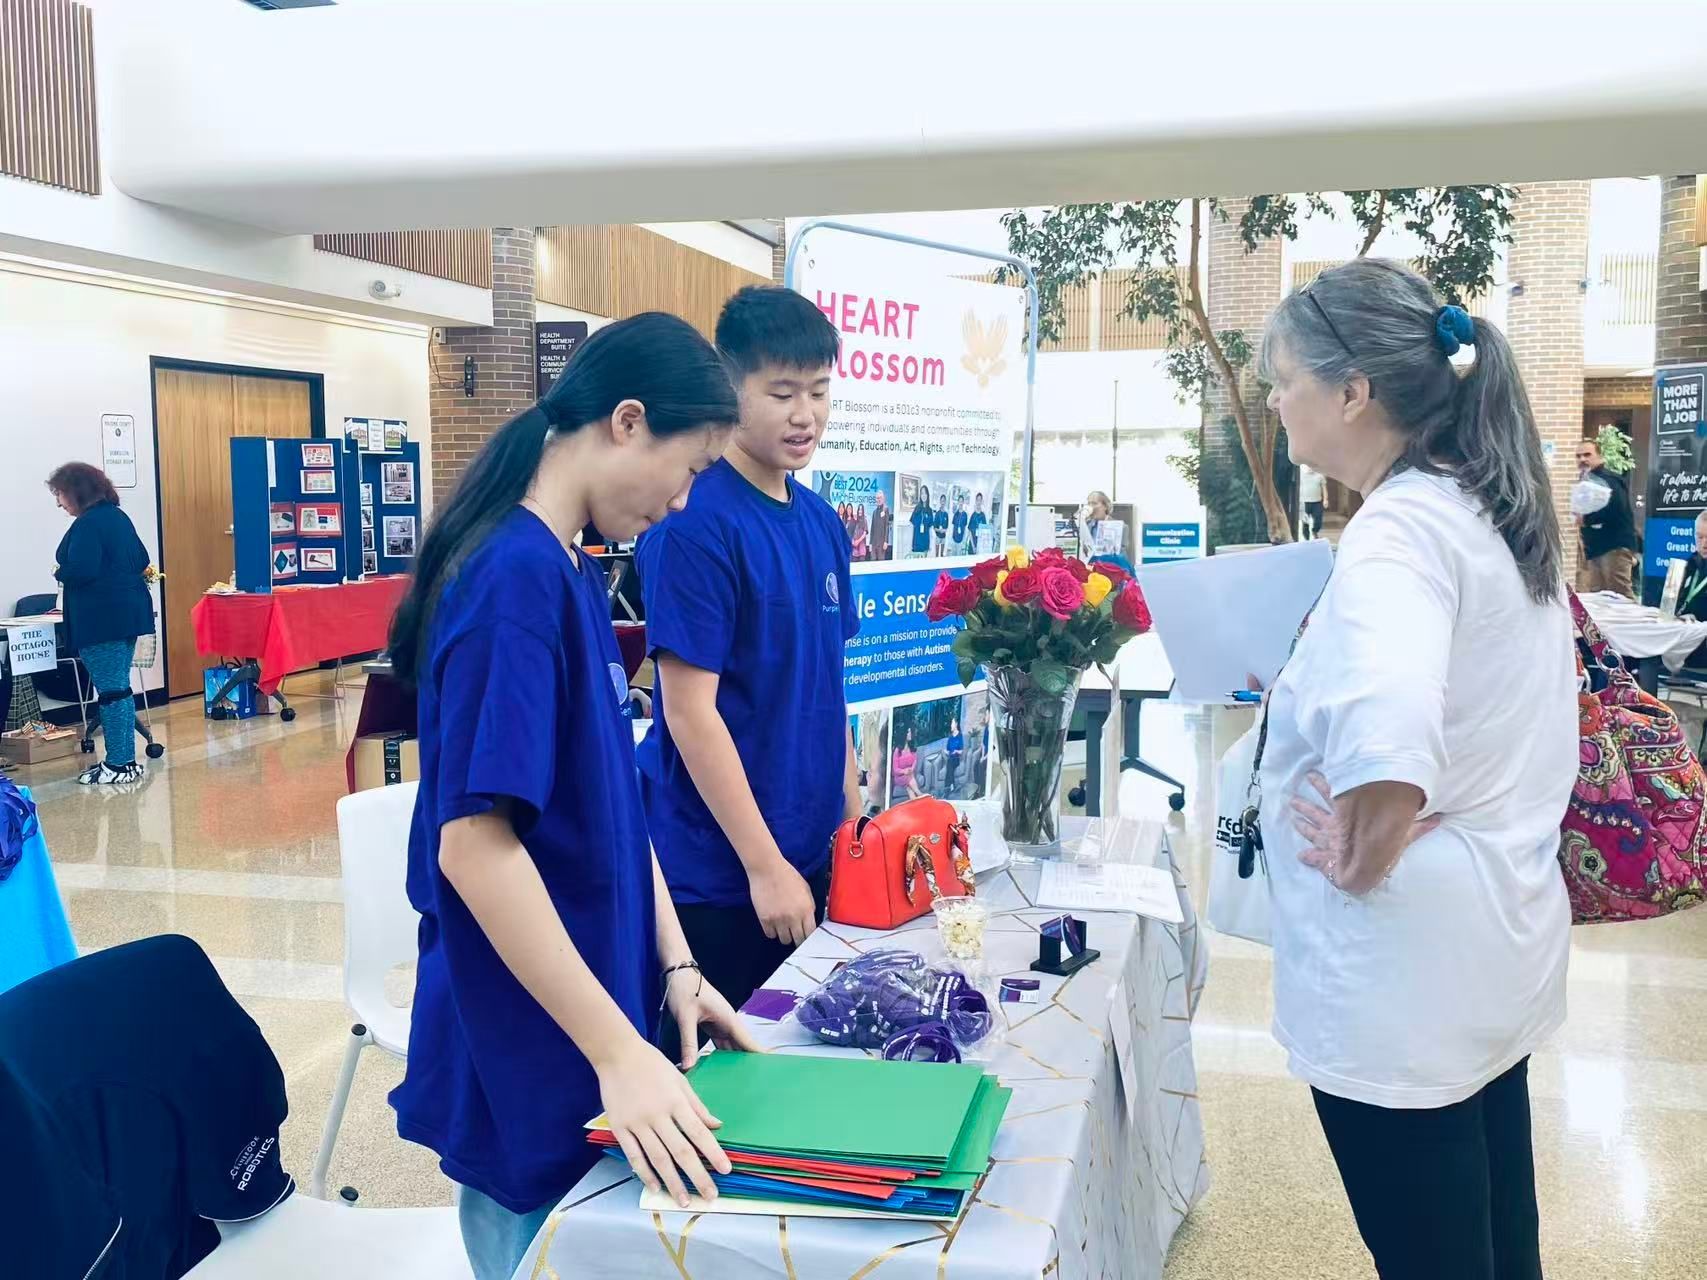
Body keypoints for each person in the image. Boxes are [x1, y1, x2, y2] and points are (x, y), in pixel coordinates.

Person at [385, 313, 759, 1280]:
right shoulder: (511, 583)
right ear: (627, 422)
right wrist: (615, 1052)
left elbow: (610, 811)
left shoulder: (566, 567)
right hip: (533, 1036)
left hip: (592, 1008)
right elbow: (474, 848)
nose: (680, 505)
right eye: (687, 471)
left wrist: (675, 968)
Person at [1257, 259, 1575, 1280]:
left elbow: (1392, 728)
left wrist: (1363, 844)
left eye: (1285, 378)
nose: (1273, 398)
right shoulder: (1482, 505)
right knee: (1491, 1242)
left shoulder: (1394, 530)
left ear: (1354, 392)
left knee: (1435, 1254)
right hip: (1493, 947)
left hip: (1405, 981)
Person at [636, 285, 863, 1035]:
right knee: (734, 1096)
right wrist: (765, 867)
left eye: (819, 392)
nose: (805, 414)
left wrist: (853, 823)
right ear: (732, 389)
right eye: (781, 393)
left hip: (814, 855)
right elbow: (687, 713)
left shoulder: (823, 523)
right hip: (721, 880)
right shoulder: (693, 523)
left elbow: (830, 689)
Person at [47, 463, 155, 788]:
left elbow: (81, 569)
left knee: (110, 692)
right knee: (119, 689)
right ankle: (125, 763)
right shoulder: (118, 517)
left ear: (77, 491)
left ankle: (118, 763)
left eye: (60, 494)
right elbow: (141, 560)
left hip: (101, 620)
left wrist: (59, 572)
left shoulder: (88, 524)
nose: (59, 502)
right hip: (129, 615)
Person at [1575, 438, 1637, 600]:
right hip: (1595, 548)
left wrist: (1586, 519)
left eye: (1587, 454)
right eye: (1579, 456)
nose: (1582, 459)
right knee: (1599, 599)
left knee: (1621, 596)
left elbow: (1617, 507)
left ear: (1600, 457)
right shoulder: (1587, 480)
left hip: (1613, 547)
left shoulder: (1609, 479)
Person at [1077, 489, 1125, 560]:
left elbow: (1122, 556)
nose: (1091, 507)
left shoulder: (1120, 527)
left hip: (1108, 566)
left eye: (1094, 503)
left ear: (1105, 506)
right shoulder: (1085, 525)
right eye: (1089, 503)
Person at [891, 726, 922, 801]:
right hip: (900, 777)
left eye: (910, 732)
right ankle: (920, 794)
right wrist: (904, 771)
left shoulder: (912, 749)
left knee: (909, 789)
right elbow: (895, 769)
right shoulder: (897, 751)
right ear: (904, 734)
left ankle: (916, 802)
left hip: (910, 773)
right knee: (909, 776)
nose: (910, 734)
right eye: (908, 732)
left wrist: (911, 769)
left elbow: (915, 761)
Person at [1298, 463, 1327, 539]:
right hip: (1304, 502)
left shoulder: (1320, 475)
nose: (1309, 468)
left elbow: (1324, 488)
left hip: (1317, 502)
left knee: (1318, 519)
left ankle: (1315, 531)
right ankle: (1306, 537)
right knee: (1305, 521)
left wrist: (1325, 500)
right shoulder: (1301, 475)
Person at [909, 484, 935, 558]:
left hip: (925, 543)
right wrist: (910, 545)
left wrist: (930, 545)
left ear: (928, 495)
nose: (923, 495)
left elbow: (930, 529)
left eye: (925, 493)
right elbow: (912, 526)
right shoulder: (917, 508)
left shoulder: (930, 511)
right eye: (922, 493)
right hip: (916, 543)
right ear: (920, 495)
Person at [943, 716, 964, 798]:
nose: (951, 725)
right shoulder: (950, 737)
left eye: (952, 723)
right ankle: (950, 788)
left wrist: (956, 751)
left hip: (956, 759)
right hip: (950, 758)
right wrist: (946, 752)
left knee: (950, 764)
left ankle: (949, 788)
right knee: (949, 767)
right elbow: (948, 750)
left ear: (956, 724)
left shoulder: (960, 736)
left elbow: (961, 751)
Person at [870, 488, 893, 561]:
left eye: (880, 498)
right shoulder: (874, 512)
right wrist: (870, 543)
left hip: (882, 543)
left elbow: (887, 526)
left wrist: (886, 541)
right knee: (872, 563)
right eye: (877, 498)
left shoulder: (886, 509)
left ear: (883, 499)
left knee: (881, 563)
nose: (878, 499)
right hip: (874, 543)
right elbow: (872, 528)